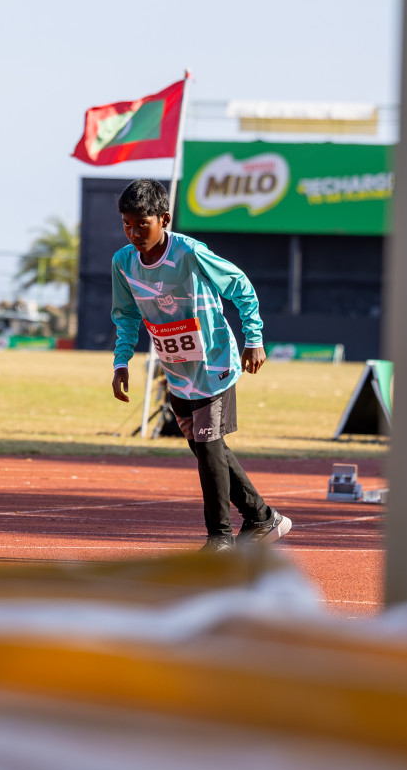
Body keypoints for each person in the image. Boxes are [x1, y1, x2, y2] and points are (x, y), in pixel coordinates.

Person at [109, 178, 291, 553]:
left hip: (215, 364)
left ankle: (219, 538)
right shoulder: (122, 262)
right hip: (176, 370)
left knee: (208, 448)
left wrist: (253, 338)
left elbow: (240, 286)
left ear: (164, 219)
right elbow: (125, 315)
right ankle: (262, 518)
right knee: (208, 448)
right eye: (126, 224)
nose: (133, 233)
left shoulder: (190, 252)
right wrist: (121, 361)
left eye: (142, 223)